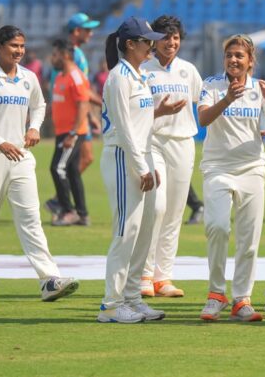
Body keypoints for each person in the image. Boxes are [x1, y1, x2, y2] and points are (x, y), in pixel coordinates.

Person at [0, 25, 79, 303]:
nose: (19, 51)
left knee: (31, 220)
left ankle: (49, 279)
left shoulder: (28, 77)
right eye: (13, 46)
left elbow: (40, 105)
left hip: (20, 157)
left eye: (22, 46)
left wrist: (34, 128)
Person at [197, 34, 265, 322]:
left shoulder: (259, 89)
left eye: (240, 55)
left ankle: (242, 299)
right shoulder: (211, 85)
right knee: (218, 227)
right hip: (217, 168)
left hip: (251, 169)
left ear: (250, 61)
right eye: (229, 55)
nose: (234, 60)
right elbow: (204, 119)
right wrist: (226, 98)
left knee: (249, 239)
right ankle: (216, 294)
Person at [97, 16, 168, 323]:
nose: (152, 45)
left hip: (140, 158)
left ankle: (132, 298)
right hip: (122, 158)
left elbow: (142, 126)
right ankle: (111, 305)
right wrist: (141, 166)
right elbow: (125, 128)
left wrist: (151, 161)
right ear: (130, 44)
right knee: (127, 231)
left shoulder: (137, 75)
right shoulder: (118, 77)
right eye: (146, 41)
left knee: (143, 230)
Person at [139, 15, 203, 298]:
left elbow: (204, 103)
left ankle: (163, 278)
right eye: (166, 37)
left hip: (183, 142)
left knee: (175, 211)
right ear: (155, 41)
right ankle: (143, 273)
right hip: (153, 141)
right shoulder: (143, 70)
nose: (171, 42)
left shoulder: (188, 71)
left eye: (175, 37)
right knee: (156, 208)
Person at [45, 13, 103, 218]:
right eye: (87, 29)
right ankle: (65, 203)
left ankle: (64, 203)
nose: (91, 33)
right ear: (77, 31)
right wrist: (102, 106)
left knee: (75, 162)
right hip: (73, 117)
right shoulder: (74, 55)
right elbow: (79, 91)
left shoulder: (72, 55)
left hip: (74, 117)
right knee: (81, 160)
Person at [49, 39, 91, 226]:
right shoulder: (60, 77)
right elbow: (57, 104)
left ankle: (68, 211)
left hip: (71, 133)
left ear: (65, 55)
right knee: (73, 171)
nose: (52, 59)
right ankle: (82, 215)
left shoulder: (76, 76)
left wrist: (73, 133)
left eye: (55, 55)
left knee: (57, 168)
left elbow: (83, 104)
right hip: (63, 131)